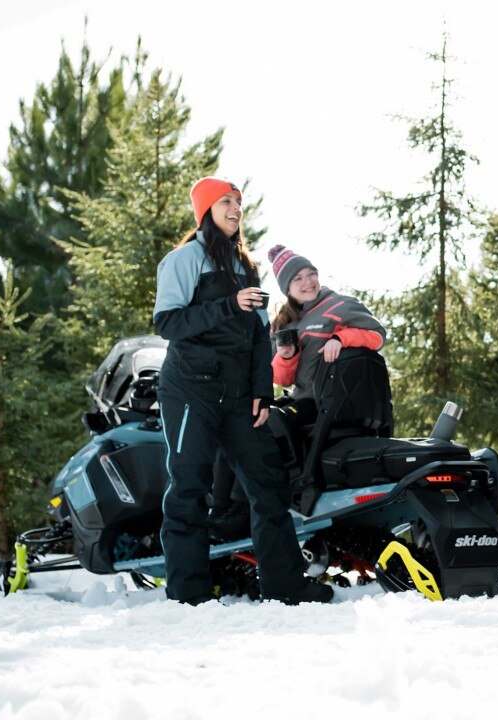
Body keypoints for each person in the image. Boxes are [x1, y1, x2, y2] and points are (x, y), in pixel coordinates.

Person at [152, 177, 331, 605]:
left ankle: (285, 585)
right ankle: (188, 593)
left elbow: (257, 336)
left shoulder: (244, 267)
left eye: (238, 202)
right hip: (190, 390)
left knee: (267, 482)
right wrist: (228, 305)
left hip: (238, 396)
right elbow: (168, 323)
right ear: (206, 210)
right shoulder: (183, 260)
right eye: (226, 202)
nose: (236, 209)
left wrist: (261, 392)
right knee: (189, 485)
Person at [266, 244, 387, 424]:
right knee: (263, 421)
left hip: (334, 403)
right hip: (303, 401)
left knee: (276, 424)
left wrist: (340, 339)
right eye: (298, 278)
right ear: (287, 288)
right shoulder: (283, 323)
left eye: (311, 274)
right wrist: (286, 357)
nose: (308, 281)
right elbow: (282, 380)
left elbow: (377, 336)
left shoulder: (340, 305)